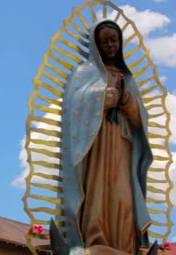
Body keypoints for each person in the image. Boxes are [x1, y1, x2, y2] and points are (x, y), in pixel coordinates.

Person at [54, 19, 154, 255]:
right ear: (96, 45)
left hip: (122, 146)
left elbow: (141, 121)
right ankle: (94, 243)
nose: (110, 45)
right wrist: (103, 97)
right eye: (105, 41)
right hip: (96, 147)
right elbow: (73, 106)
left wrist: (127, 101)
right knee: (97, 196)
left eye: (114, 40)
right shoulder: (83, 73)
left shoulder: (128, 78)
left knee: (124, 197)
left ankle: (125, 246)